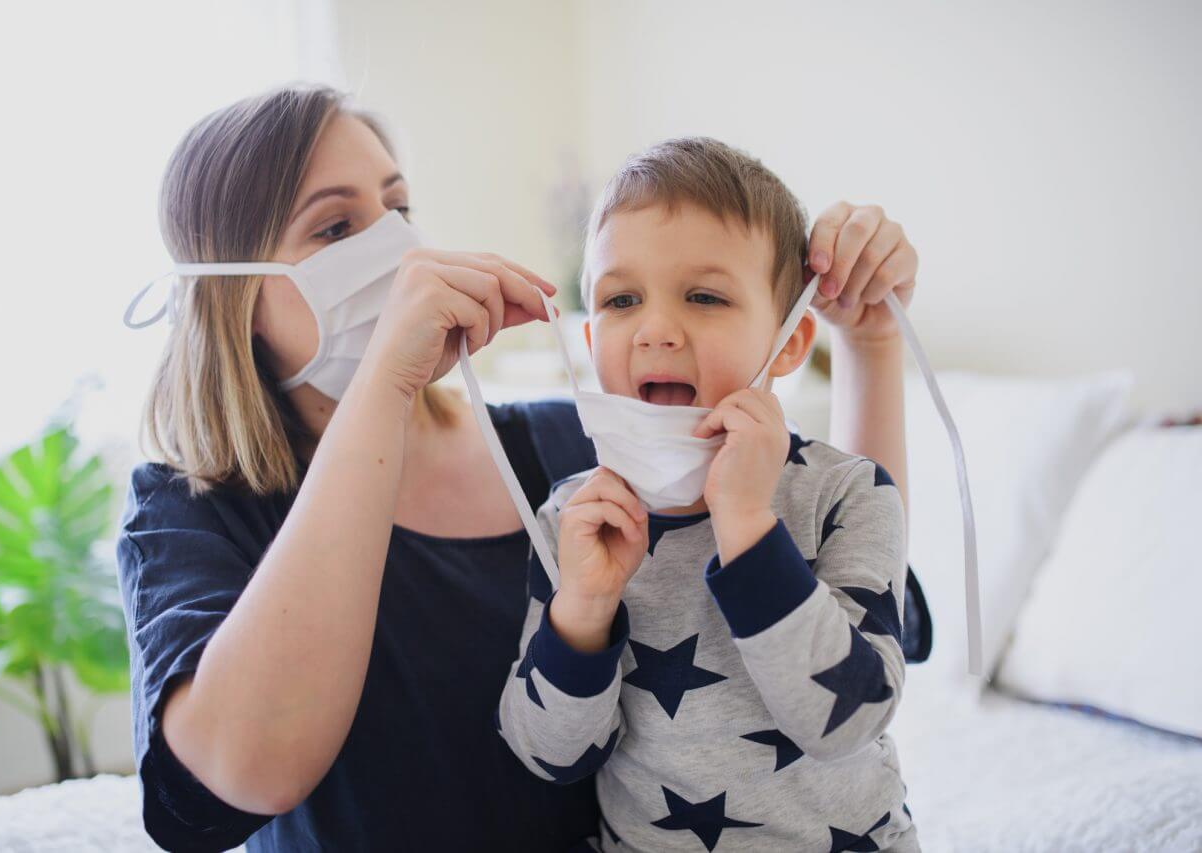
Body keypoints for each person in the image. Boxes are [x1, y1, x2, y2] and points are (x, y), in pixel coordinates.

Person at [116, 84, 929, 852]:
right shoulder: (187, 508)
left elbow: (865, 621)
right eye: (335, 229)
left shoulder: (580, 450)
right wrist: (385, 388)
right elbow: (240, 778)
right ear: (229, 293)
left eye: (399, 208)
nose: (397, 251)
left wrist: (870, 340)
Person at [497, 138, 917, 851]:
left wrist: (749, 526)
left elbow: (848, 719)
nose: (657, 330)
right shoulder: (575, 517)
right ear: (591, 336)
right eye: (622, 299)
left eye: (704, 296)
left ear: (788, 343)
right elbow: (550, 754)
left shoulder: (848, 492)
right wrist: (584, 611)